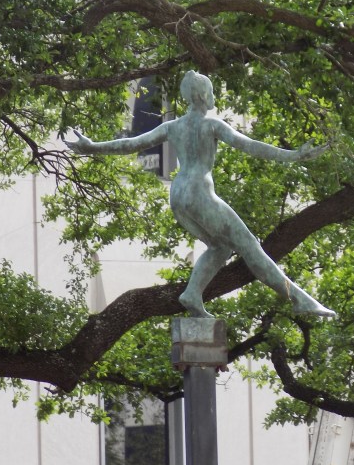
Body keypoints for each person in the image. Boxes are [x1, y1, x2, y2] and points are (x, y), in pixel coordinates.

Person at [64, 71, 335, 319]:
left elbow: (131, 144)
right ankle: (300, 299)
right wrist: (293, 155)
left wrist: (92, 147)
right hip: (200, 193)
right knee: (249, 245)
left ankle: (192, 294)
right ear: (205, 95)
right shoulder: (211, 125)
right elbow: (250, 145)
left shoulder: (173, 127)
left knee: (220, 247)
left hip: (178, 195)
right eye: (212, 91)